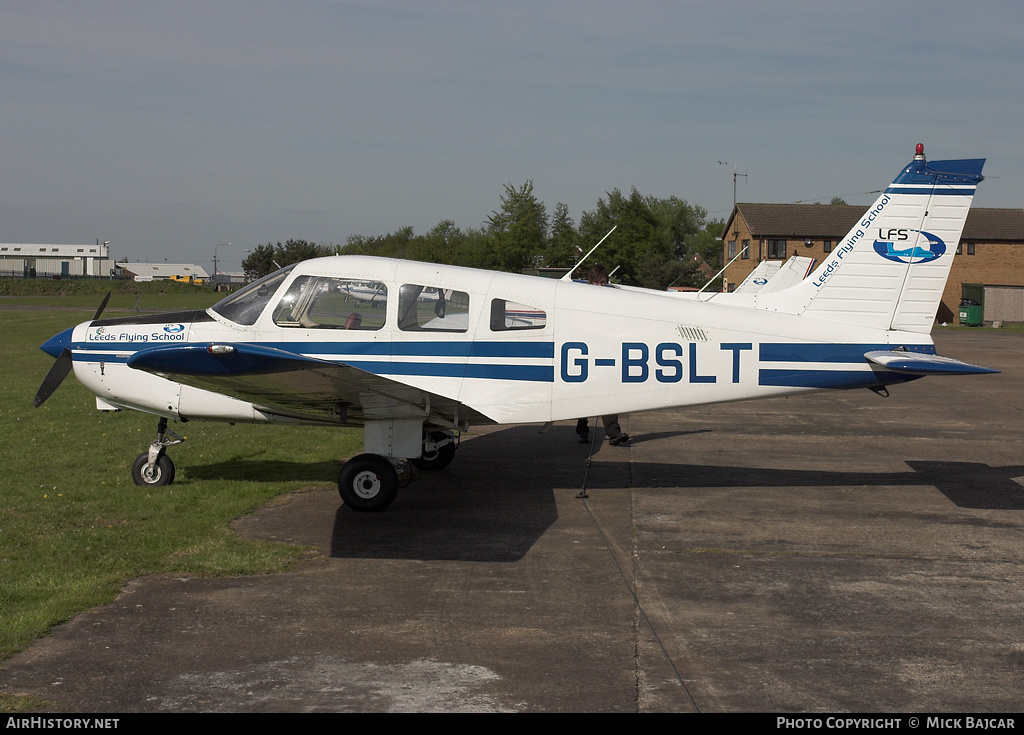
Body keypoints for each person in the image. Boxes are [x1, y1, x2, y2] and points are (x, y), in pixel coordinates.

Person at [575, 263, 630, 447]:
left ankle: (614, 433)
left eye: (604, 283)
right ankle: (582, 428)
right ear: (590, 283)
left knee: (608, 392)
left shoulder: (611, 301)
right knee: (584, 394)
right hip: (586, 352)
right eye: (598, 283)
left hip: (605, 351)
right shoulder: (581, 301)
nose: (601, 286)